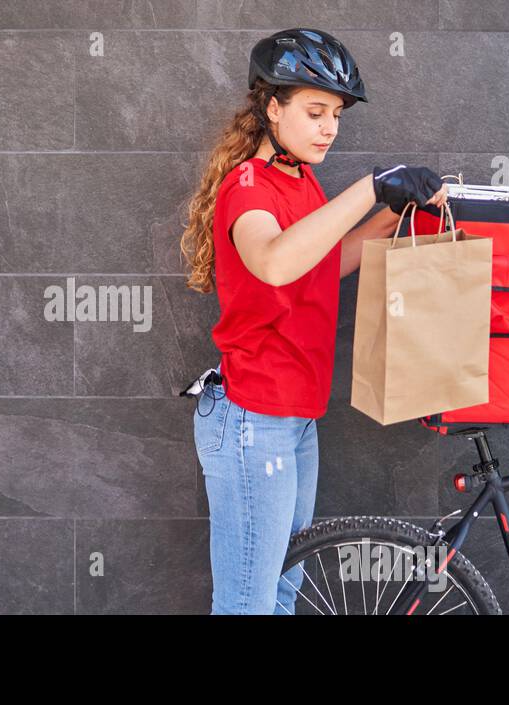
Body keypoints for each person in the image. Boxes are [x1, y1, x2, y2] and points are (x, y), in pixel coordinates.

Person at [178, 28, 449, 614]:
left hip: (295, 417)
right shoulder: (248, 188)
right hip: (255, 420)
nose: (329, 127)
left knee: (281, 592)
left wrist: (393, 213)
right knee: (248, 604)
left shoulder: (299, 179)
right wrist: (370, 186)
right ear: (272, 108)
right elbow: (275, 263)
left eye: (336, 115)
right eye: (315, 111)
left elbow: (325, 262)